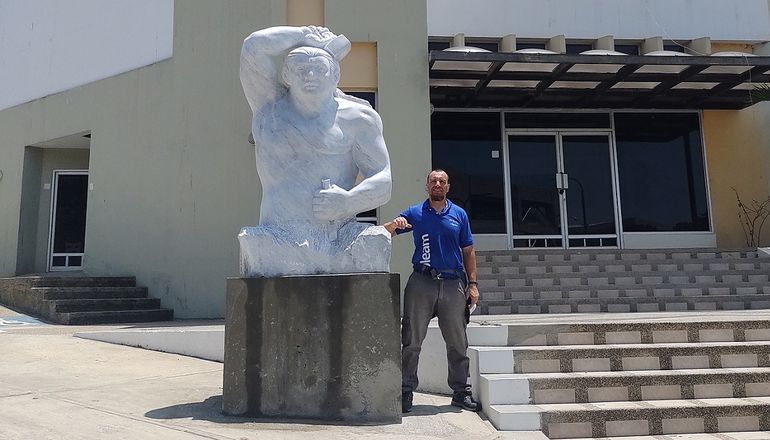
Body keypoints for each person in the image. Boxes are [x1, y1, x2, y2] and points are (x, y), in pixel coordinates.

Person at [238, 26, 392, 277]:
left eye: (319, 68)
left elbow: (384, 180)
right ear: (286, 74)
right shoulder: (269, 108)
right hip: (277, 235)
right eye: (300, 68)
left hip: (338, 237)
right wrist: (303, 34)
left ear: (335, 75)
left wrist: (349, 201)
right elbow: (252, 46)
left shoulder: (359, 118)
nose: (310, 74)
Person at [384, 169, 481, 413]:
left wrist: (473, 285)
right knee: (412, 340)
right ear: (427, 186)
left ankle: (461, 392)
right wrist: (394, 224)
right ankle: (405, 392)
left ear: (448, 186)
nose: (438, 184)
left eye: (442, 181)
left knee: (458, 342)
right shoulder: (416, 212)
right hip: (422, 281)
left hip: (452, 284)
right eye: (433, 181)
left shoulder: (459, 214)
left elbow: (468, 251)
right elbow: (388, 231)